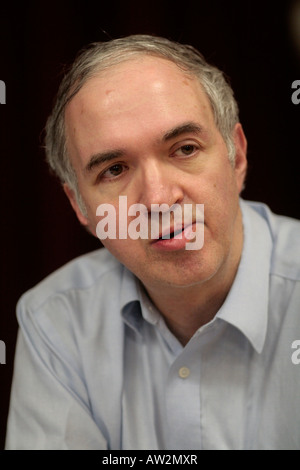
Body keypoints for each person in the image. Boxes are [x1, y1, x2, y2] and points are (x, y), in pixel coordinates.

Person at [5, 35, 300, 450]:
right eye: (114, 170)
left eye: (184, 148)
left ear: (236, 156)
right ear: (81, 207)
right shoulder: (56, 319)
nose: (159, 200)